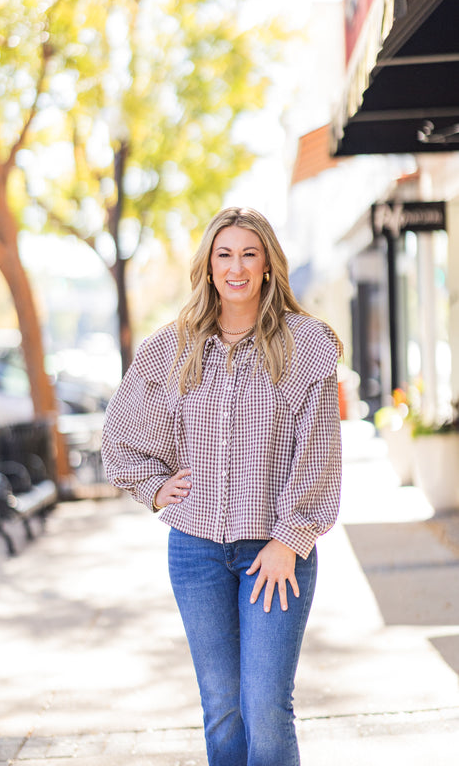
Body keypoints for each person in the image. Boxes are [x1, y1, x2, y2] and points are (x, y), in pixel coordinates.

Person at [101, 207, 342, 766]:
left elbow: (320, 454)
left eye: (249, 254)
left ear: (267, 266)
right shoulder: (174, 346)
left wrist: (290, 538)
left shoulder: (306, 344)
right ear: (208, 267)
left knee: (265, 706)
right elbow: (120, 433)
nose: (236, 267)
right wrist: (155, 487)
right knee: (222, 708)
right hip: (196, 552)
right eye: (224, 254)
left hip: (275, 552)